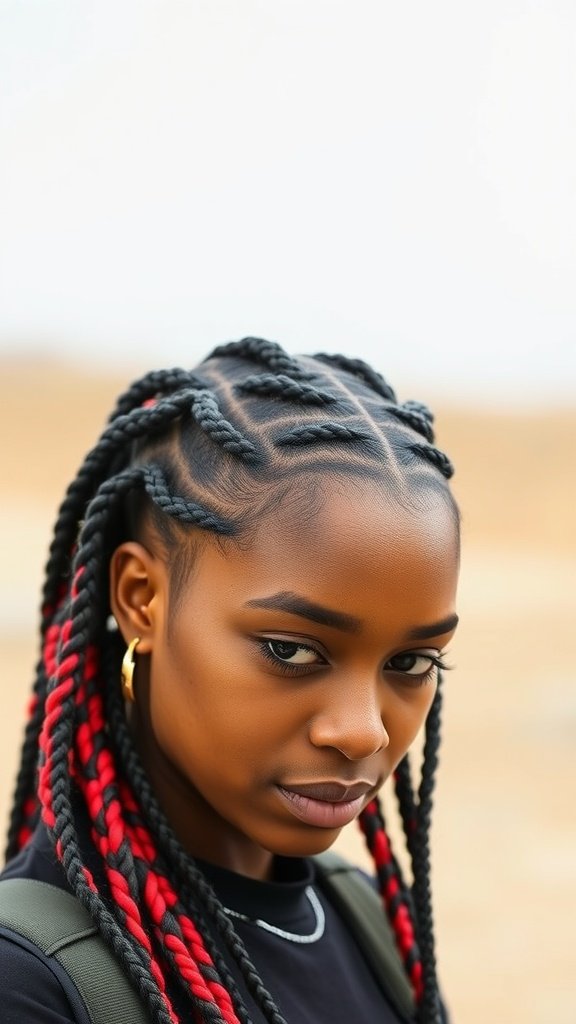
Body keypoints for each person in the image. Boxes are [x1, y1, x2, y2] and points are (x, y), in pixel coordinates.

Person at [0, 337, 459, 1024]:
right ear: (140, 599)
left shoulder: (369, 920)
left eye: (411, 663)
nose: (363, 730)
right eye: (291, 650)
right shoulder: (30, 980)